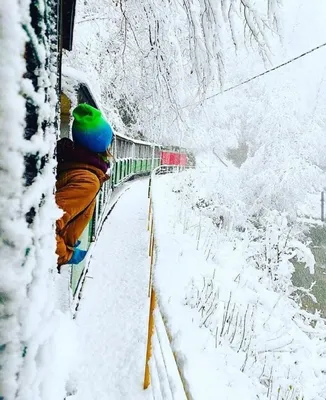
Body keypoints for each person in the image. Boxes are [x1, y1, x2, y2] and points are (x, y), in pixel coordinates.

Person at [55, 103, 113, 269]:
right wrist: (66, 254)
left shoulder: (72, 165)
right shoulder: (87, 181)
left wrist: (70, 232)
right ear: (101, 144)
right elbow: (46, 224)